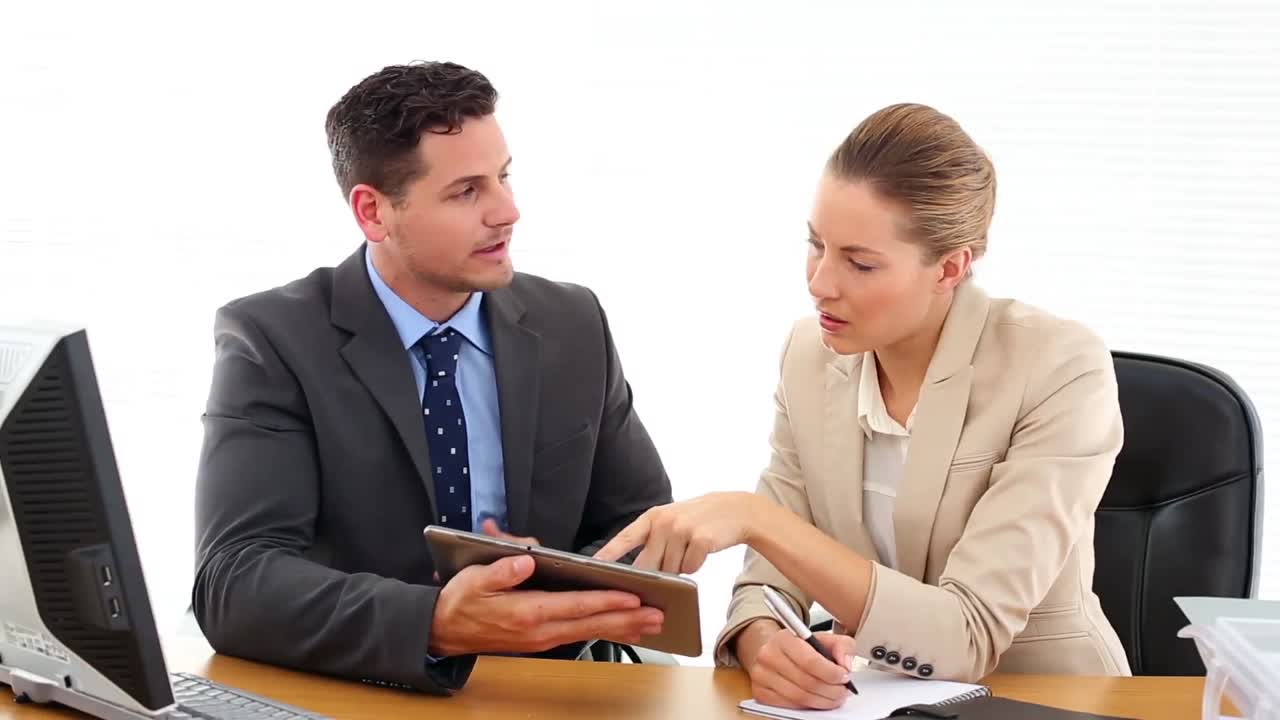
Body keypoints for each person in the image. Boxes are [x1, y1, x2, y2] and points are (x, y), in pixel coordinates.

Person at [595, 103, 1131, 709]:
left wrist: (754, 517)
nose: (820, 282)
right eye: (815, 245)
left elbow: (968, 634)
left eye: (860, 262)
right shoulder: (809, 355)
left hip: (1046, 699)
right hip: (878, 698)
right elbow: (767, 581)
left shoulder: (1057, 365)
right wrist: (764, 644)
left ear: (950, 268)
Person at [192, 61, 671, 696]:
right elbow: (234, 582)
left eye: (503, 176)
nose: (509, 211)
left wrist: (547, 581)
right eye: (466, 191)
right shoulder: (274, 340)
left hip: (548, 689)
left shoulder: (572, 323)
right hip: (359, 691)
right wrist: (438, 622)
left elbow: (641, 523)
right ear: (373, 213)